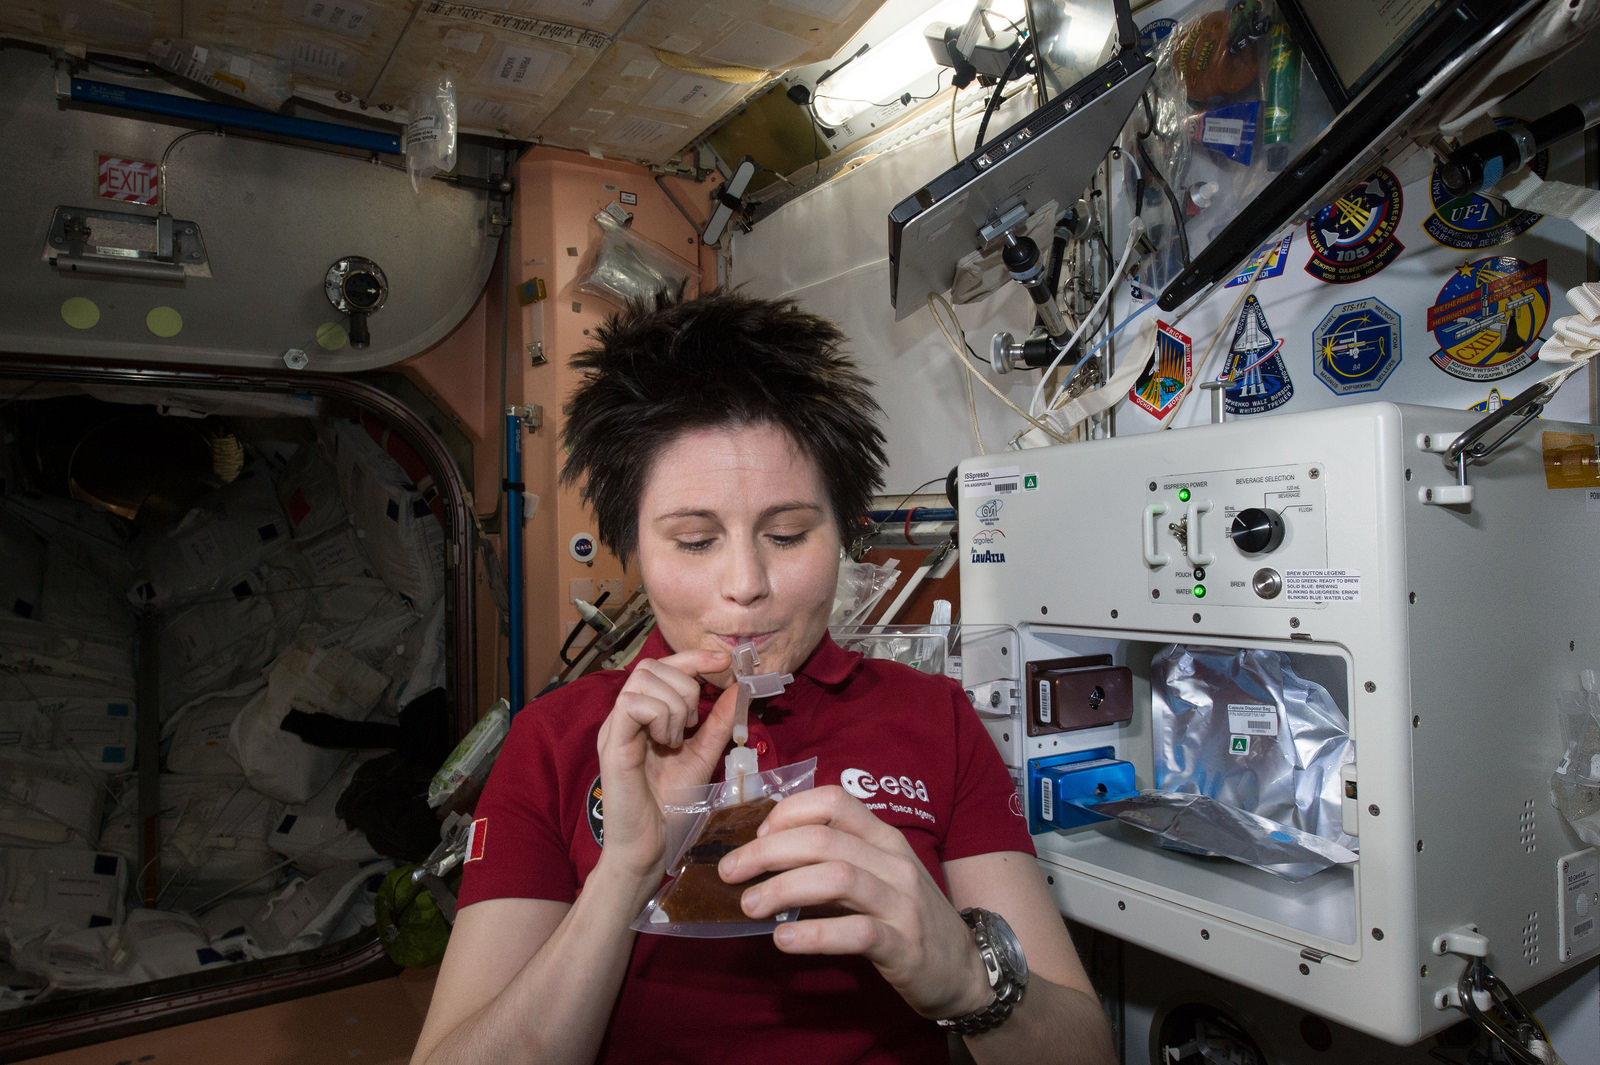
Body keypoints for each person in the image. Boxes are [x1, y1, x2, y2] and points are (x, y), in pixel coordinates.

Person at [409, 291, 1115, 1065]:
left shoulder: (934, 717)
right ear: (633, 546)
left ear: (843, 532)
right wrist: (626, 874)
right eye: (694, 540)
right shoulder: (554, 741)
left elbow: (1085, 1051)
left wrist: (969, 983)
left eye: (786, 533)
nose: (746, 584)